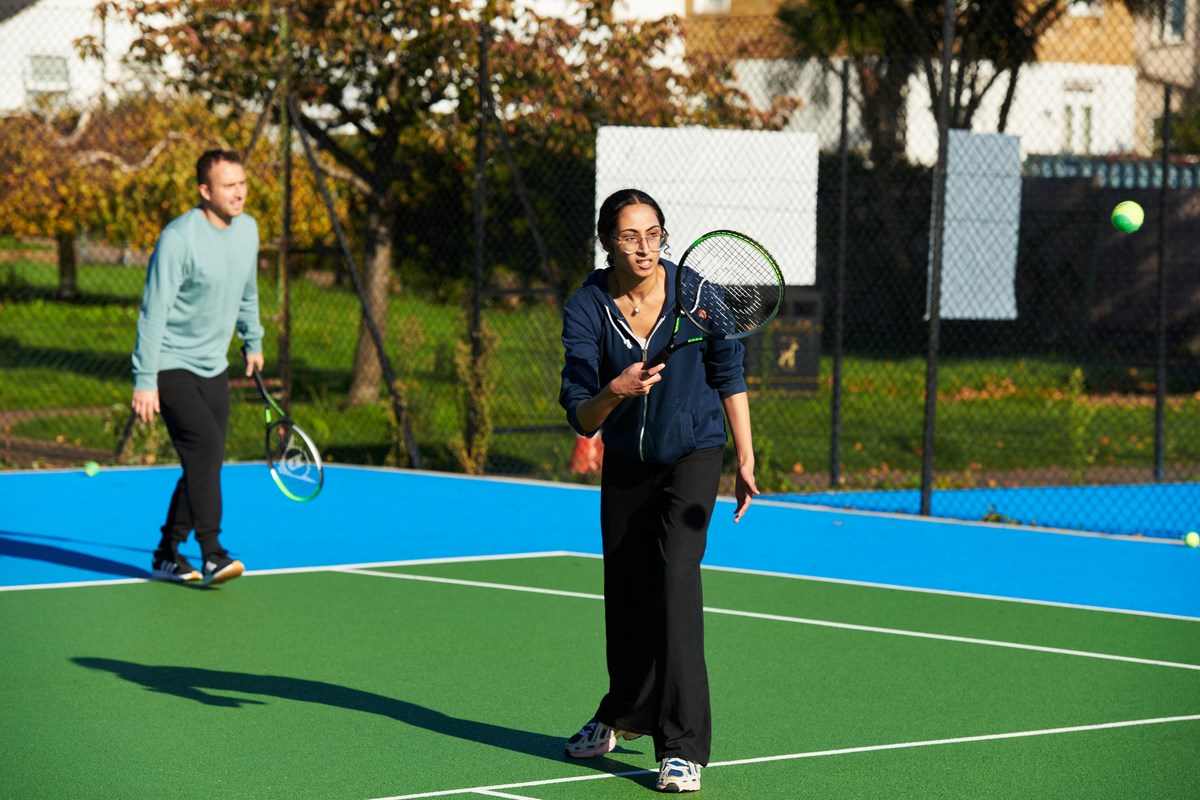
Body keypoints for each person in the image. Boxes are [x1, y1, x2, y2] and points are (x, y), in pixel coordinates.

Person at [558, 188, 759, 793]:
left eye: (654, 234)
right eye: (630, 236)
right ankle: (620, 715)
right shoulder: (587, 307)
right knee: (624, 591)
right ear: (607, 243)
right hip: (625, 460)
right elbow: (582, 416)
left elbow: (729, 372)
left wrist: (746, 457)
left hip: (694, 452)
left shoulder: (697, 294)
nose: (645, 247)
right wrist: (615, 389)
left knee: (675, 585)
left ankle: (683, 747)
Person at [131, 148, 265, 586]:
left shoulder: (248, 231)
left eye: (242, 183)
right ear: (205, 191)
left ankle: (167, 553)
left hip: (213, 364)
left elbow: (248, 291)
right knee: (206, 445)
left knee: (204, 459)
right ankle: (212, 553)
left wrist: (253, 340)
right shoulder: (179, 239)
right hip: (170, 362)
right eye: (229, 185)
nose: (239, 192)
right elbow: (153, 312)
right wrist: (145, 380)